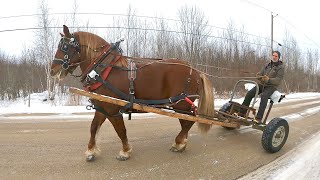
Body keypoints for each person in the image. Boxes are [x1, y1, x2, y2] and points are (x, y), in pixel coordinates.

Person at [240, 51, 284, 123]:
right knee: (250, 93)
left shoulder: (280, 68)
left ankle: (258, 118)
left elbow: (278, 80)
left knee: (264, 96)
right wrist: (259, 76)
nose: (274, 57)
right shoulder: (267, 65)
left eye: (276, 56)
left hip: (271, 86)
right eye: (273, 55)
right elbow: (260, 73)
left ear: (279, 57)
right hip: (262, 84)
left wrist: (268, 80)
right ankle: (242, 112)